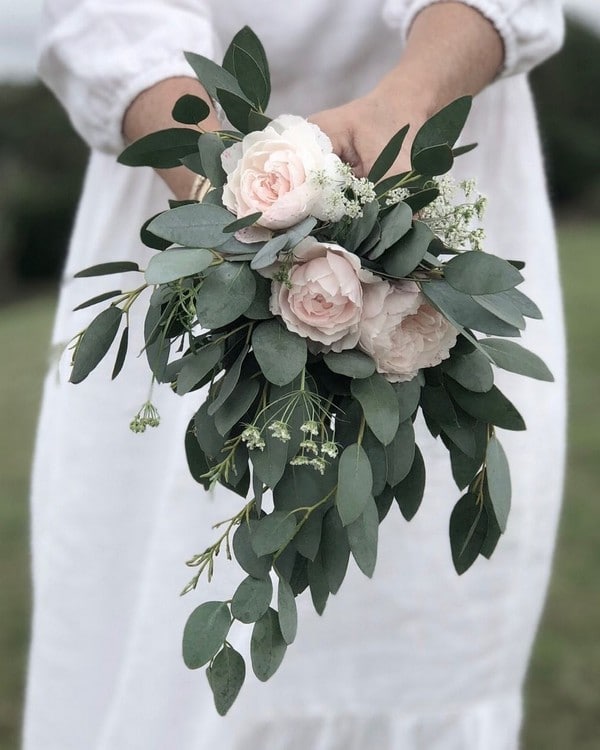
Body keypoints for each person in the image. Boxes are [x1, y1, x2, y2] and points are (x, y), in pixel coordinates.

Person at [24, 2, 566, 749]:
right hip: (187, 209)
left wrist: (411, 99)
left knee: (420, 629)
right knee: (157, 624)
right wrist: (226, 192)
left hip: (436, 200)